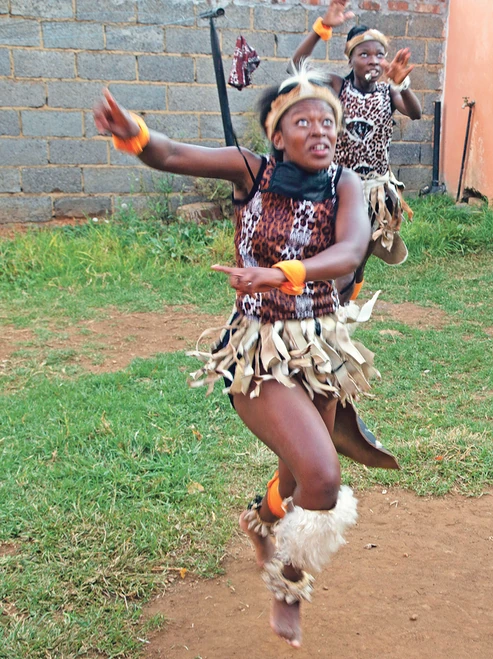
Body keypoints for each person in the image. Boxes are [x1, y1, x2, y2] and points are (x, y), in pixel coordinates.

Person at [93, 60, 399, 647]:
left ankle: (261, 522)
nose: (321, 132)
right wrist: (133, 132)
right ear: (277, 134)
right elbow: (174, 156)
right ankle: (289, 586)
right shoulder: (250, 172)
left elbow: (352, 248)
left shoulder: (347, 185)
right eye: (304, 121)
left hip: (321, 348)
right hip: (260, 352)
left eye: (328, 122)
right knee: (323, 476)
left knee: (297, 479)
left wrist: (283, 272)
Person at [293, 0, 423, 303]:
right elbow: (297, 65)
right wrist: (321, 28)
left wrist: (402, 83)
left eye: (379, 54)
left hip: (375, 193)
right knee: (335, 255)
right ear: (350, 58)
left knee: (357, 260)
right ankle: (329, 307)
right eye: (364, 54)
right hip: (337, 188)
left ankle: (343, 306)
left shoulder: (388, 92)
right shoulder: (337, 86)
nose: (373, 60)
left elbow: (415, 113)